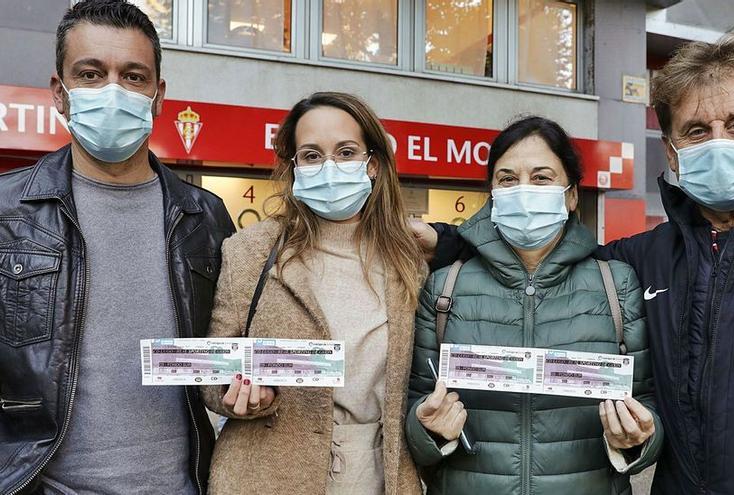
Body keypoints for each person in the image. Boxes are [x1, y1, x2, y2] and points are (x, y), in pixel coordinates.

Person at [420, 34, 734, 494]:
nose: (718, 142)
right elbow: (547, 258)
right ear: (672, 150)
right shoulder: (643, 259)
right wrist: (449, 243)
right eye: (697, 130)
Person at [0, 1, 235, 493]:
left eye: (132, 76)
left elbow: (229, 351)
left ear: (158, 95)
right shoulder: (7, 211)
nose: (112, 91)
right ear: (59, 94)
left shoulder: (205, 216)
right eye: (90, 73)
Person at [405, 116, 663, 494]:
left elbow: (647, 402)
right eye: (507, 179)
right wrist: (427, 429)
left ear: (572, 194)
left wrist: (637, 439)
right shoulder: (445, 287)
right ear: (492, 193)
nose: (523, 190)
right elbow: (413, 406)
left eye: (542, 177)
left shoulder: (616, 284)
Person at [201, 92, 426, 494]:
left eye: (345, 152)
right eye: (311, 155)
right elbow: (213, 369)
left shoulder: (407, 261)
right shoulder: (250, 251)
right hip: (267, 476)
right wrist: (236, 394)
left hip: (379, 476)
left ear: (373, 164)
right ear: (294, 167)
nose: (329, 167)